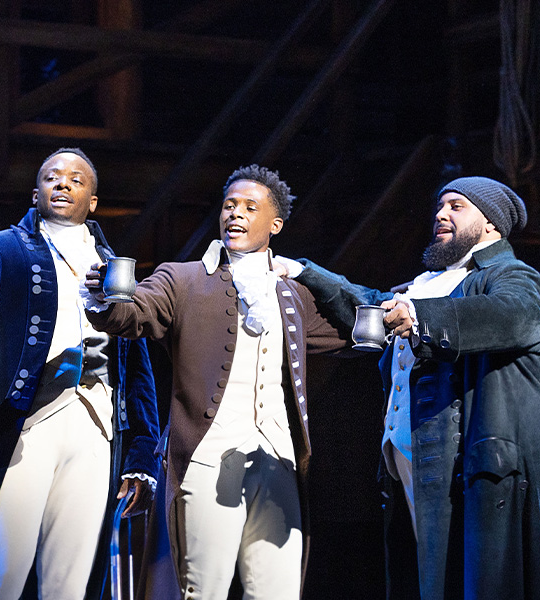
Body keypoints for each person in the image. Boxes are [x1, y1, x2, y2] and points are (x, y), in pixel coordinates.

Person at [287, 176, 540, 599]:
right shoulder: (423, 285)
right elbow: (370, 303)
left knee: (472, 582)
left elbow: (516, 314)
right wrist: (302, 271)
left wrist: (419, 316)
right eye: (440, 206)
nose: (441, 214)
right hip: (409, 458)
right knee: (426, 581)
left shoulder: (511, 275)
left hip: (470, 461)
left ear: (491, 223)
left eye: (457, 206)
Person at [85, 165, 350, 600]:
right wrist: (106, 297)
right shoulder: (183, 279)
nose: (235, 214)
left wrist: (318, 277)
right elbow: (134, 312)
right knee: (203, 589)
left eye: (249, 207)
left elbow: (355, 327)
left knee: (279, 592)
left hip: (277, 459)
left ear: (275, 225)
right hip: (208, 457)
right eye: (229, 205)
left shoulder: (293, 293)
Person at [0, 148, 159, 600]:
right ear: (35, 194)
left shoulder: (114, 267)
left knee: (71, 580)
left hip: (96, 426)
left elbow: (137, 365)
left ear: (93, 201)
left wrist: (143, 451)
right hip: (23, 423)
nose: (63, 183)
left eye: (76, 179)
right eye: (52, 177)